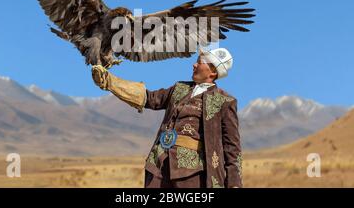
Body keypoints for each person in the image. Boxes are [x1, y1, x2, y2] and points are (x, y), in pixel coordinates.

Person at [91, 48, 243, 188]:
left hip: (193, 172)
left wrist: (234, 183)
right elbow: (149, 98)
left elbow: (232, 147)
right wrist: (110, 82)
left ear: (213, 72)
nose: (194, 65)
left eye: (199, 62)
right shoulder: (179, 88)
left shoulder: (225, 101)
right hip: (159, 163)